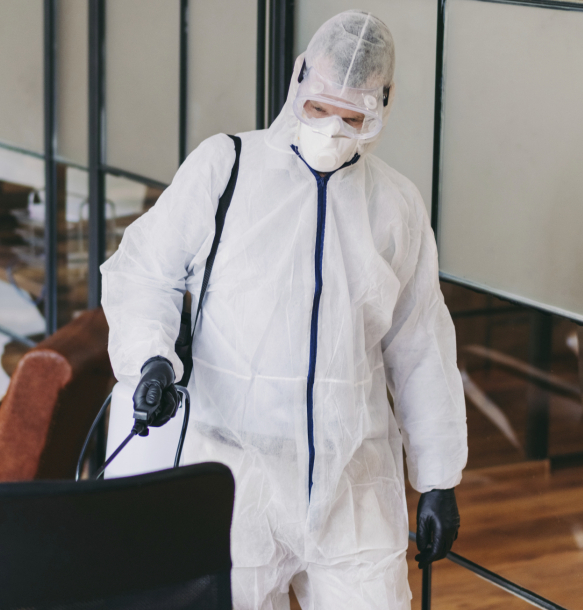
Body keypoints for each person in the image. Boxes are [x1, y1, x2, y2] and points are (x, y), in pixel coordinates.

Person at [101, 10, 467, 610]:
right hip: (233, 475)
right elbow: (145, 271)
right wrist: (151, 359)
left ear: (384, 105)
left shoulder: (395, 205)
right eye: (319, 107)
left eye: (352, 117)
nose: (331, 128)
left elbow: (421, 345)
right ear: (298, 79)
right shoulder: (228, 168)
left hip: (354, 482)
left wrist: (438, 477)